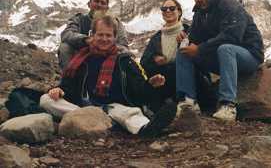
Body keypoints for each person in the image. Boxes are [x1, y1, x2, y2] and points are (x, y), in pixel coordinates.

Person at [40, 15, 176, 137]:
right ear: (92, 35)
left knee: (129, 113)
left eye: (108, 35)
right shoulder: (81, 59)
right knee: (46, 100)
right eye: (100, 35)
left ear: (114, 37)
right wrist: (58, 90)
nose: (104, 39)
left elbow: (139, 92)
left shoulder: (125, 61)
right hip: (84, 108)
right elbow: (67, 85)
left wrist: (150, 85)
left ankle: (145, 129)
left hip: (114, 108)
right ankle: (93, 119)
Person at [176, 0, 264, 121]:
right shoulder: (200, 12)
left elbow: (232, 37)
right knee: (184, 52)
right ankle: (188, 103)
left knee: (226, 48)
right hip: (221, 57)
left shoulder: (229, 4)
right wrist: (185, 39)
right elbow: (195, 37)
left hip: (249, 55)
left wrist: (200, 49)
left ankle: (228, 105)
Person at [58, 0, 129, 70]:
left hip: (108, 56)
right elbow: (67, 34)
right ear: (89, 4)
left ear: (107, 7)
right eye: (96, 1)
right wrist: (86, 40)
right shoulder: (79, 19)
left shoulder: (116, 23)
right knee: (65, 47)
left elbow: (123, 45)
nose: (99, 5)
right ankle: (69, 77)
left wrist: (106, 46)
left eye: (103, 3)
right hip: (82, 56)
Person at [140, 0, 189, 106]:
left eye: (172, 8)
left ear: (179, 12)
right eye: (164, 9)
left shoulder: (189, 31)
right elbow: (143, 63)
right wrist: (154, 60)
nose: (168, 11)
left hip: (184, 76)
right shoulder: (156, 38)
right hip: (163, 78)